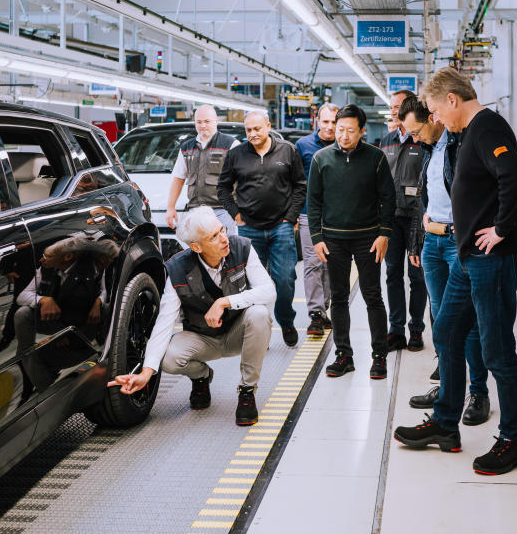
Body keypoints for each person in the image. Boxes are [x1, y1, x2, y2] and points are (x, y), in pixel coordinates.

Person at [393, 67, 517, 476]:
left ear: (452, 99)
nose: (434, 117)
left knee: (496, 351)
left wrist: (503, 228)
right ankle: (444, 423)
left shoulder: (487, 127)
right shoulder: (463, 134)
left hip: (493, 260)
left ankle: (514, 441)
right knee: (448, 331)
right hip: (468, 257)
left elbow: (515, 176)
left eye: (436, 109)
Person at [109, 207, 276, 426]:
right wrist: (146, 373)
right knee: (168, 358)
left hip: (239, 333)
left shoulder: (242, 248)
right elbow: (164, 323)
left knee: (260, 313)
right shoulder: (178, 269)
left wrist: (224, 302)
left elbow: (268, 290)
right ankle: (201, 376)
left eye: (222, 230)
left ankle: (247, 390)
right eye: (214, 237)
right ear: (197, 247)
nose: (224, 238)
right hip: (203, 339)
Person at [399, 95, 490, 427]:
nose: (414, 138)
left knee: (468, 324)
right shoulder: (429, 150)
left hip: (457, 242)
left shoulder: (461, 145)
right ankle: (448, 390)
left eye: (417, 130)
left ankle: (478, 392)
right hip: (433, 244)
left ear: (434, 118)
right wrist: (418, 240)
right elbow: (423, 200)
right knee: (440, 322)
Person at [308, 104, 396, 379]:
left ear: (362, 131)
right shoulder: (321, 159)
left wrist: (384, 234)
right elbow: (313, 202)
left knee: (373, 297)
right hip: (333, 240)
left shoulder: (376, 158)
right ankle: (343, 355)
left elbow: (388, 198)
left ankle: (379, 356)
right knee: (339, 299)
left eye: (350, 130)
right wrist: (317, 238)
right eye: (340, 129)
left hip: (368, 239)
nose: (343, 135)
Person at [217, 111, 307, 347]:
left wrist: (290, 216)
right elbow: (223, 188)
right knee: (251, 284)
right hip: (249, 230)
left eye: (257, 128)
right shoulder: (236, 154)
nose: (253, 134)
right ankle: (258, 329)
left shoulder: (287, 150)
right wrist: (235, 214)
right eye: (248, 130)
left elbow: (300, 185)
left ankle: (286, 321)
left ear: (268, 125)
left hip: (281, 227)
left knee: (285, 279)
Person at [15, 236, 120, 392]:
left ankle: (107, 365)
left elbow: (101, 292)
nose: (43, 259)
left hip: (80, 327)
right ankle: (45, 385)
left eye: (49, 257)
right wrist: (43, 300)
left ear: (68, 257)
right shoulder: (45, 268)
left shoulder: (93, 271)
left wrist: (98, 302)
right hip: (55, 321)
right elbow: (22, 297)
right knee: (22, 314)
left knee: (107, 309)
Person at [380, 89, 429, 352]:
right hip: (391, 218)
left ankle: (417, 329)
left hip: (417, 217)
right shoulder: (386, 140)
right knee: (392, 274)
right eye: (391, 107)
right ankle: (396, 329)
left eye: (397, 106)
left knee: (417, 276)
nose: (393, 111)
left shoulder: (421, 140)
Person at [295, 103, 338, 338]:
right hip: (308, 214)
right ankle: (315, 314)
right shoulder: (303, 146)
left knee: (330, 265)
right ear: (317, 121)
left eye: (334, 121)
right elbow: (296, 182)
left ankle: (324, 309)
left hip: (337, 217)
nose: (329, 126)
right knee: (312, 264)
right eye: (325, 121)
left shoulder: (344, 145)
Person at [166, 104, 240, 236]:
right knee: (197, 251)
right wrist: (171, 207)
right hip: (195, 212)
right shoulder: (186, 148)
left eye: (207, 121)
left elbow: (243, 178)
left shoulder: (231, 144)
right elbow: (178, 178)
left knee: (226, 250)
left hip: (223, 211)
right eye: (199, 122)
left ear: (216, 121)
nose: (202, 125)